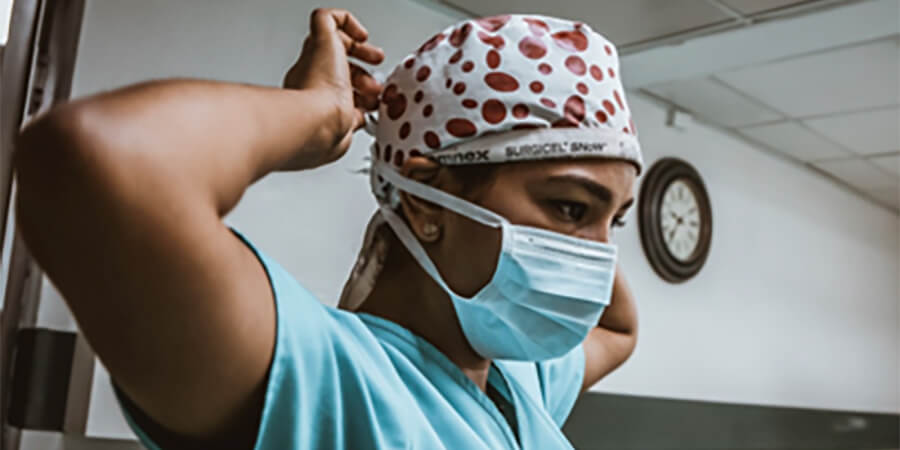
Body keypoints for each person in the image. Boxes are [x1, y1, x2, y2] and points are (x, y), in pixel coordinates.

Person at [14, 9, 640, 450]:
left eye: (616, 220)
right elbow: (101, 160)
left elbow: (618, 328)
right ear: (429, 204)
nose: (598, 260)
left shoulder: (513, 383)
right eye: (568, 209)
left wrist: (593, 196)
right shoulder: (325, 384)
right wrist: (320, 114)